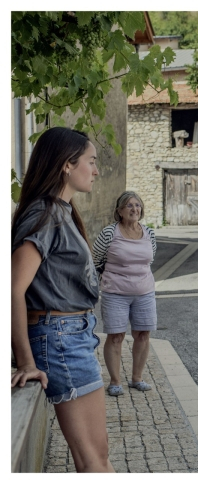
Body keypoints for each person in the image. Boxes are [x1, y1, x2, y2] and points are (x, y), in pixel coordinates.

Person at [11, 127, 114, 472]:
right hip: (59, 339)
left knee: (97, 460)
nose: (96, 170)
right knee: (93, 464)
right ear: (67, 165)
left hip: (74, 335)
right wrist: (26, 361)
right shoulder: (46, 215)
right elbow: (12, 288)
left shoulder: (62, 212)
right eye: (91, 161)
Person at [92, 191, 157, 397]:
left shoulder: (149, 233)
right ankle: (115, 381)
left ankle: (137, 378)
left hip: (144, 292)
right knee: (116, 336)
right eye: (129, 205)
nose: (134, 209)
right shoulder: (110, 233)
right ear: (119, 211)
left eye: (137, 205)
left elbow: (150, 259)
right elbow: (95, 260)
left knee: (143, 334)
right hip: (115, 293)